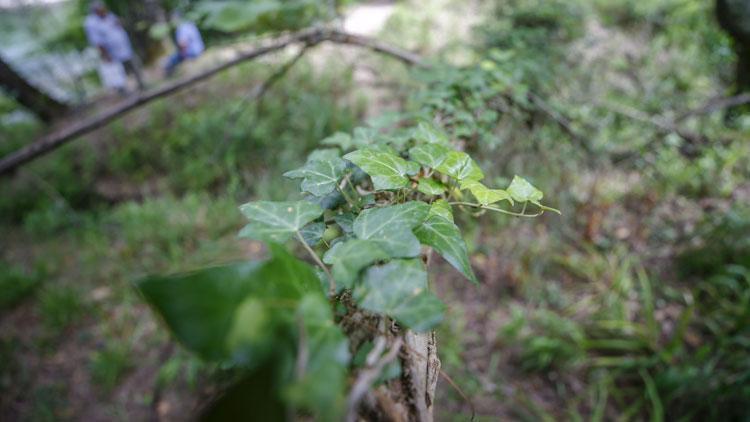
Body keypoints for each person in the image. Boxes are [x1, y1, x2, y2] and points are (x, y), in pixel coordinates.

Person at [84, 1, 144, 90]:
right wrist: (105, 54)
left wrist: (120, 22)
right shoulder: (91, 23)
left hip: (124, 47)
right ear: (95, 11)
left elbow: (118, 25)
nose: (104, 10)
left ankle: (141, 85)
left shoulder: (108, 15)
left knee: (134, 66)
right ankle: (123, 92)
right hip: (111, 52)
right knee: (117, 73)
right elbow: (97, 41)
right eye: (101, 9)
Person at [164, 13, 204, 77]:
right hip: (200, 49)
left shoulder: (181, 28)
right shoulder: (189, 24)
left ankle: (170, 76)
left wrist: (183, 55)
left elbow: (183, 44)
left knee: (169, 61)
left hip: (192, 52)